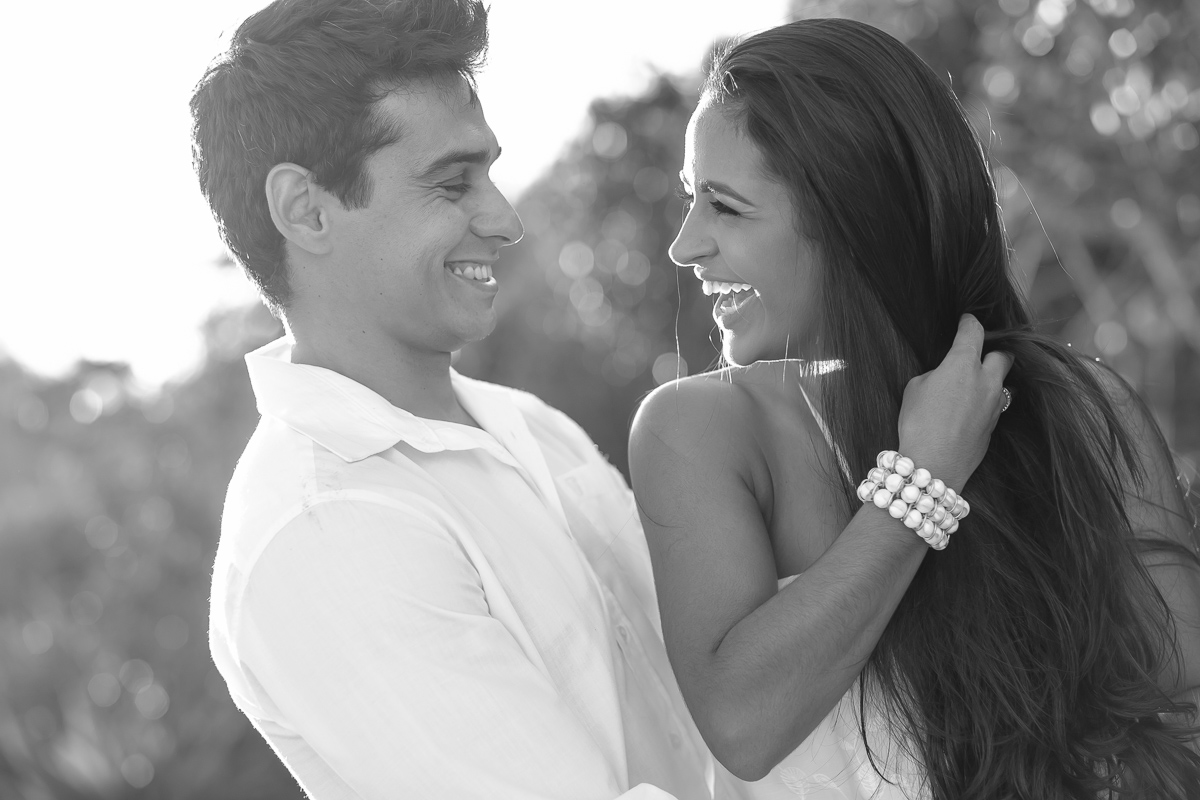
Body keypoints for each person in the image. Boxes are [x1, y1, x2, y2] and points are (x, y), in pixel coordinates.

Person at [191, 2, 1002, 797]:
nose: (503, 219)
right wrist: (913, 493)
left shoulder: (529, 427)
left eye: (489, 173)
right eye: (451, 185)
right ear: (307, 210)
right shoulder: (321, 534)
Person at [629, 18, 1200, 800]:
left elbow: (1184, 716)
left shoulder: (1078, 409)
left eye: (725, 208)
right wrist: (923, 479)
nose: (684, 245)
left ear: (852, 216)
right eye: (693, 200)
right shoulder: (701, 431)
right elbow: (742, 726)